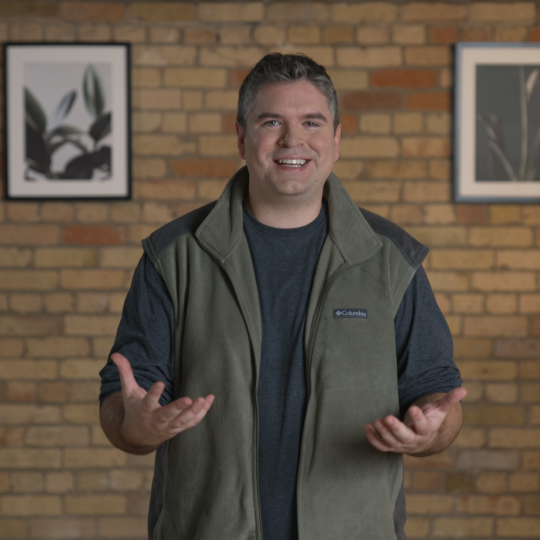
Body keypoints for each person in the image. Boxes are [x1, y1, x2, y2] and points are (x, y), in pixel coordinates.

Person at [99, 53, 466, 540]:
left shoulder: (391, 260)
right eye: (271, 122)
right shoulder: (173, 257)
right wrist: (136, 428)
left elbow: (438, 394)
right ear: (241, 137)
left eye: (311, 122)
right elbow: (120, 403)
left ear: (335, 139)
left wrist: (431, 432)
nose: (293, 140)